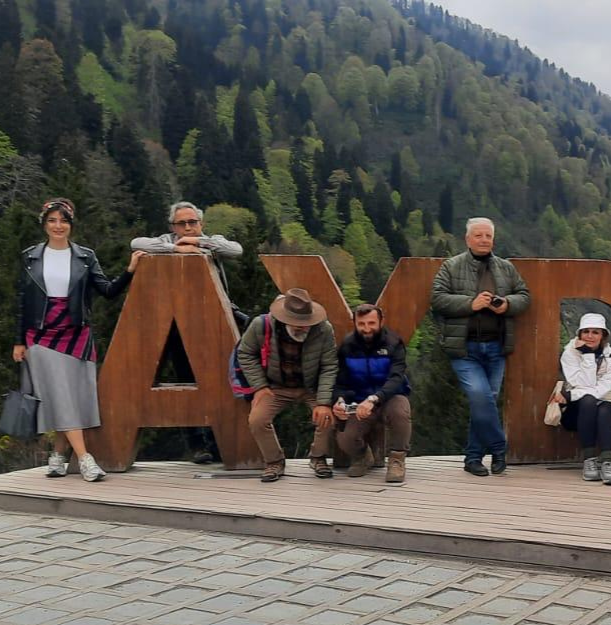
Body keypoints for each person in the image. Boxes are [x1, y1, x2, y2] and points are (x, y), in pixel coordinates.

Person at [13, 198, 145, 482]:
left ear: (71, 224)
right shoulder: (30, 256)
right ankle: (85, 459)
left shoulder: (85, 256)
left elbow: (107, 291)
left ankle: (58, 456)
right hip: (41, 336)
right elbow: (22, 301)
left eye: (63, 221)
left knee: (71, 397)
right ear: (44, 224)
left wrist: (130, 271)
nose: (58, 226)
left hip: (76, 334)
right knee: (61, 396)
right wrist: (19, 341)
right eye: (52, 220)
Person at [131, 201, 244, 463]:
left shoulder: (211, 241)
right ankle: (197, 446)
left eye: (193, 222)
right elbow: (137, 243)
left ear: (201, 223)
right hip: (176, 325)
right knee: (186, 382)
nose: (188, 227)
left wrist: (198, 243)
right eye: (181, 223)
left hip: (213, 321)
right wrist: (176, 248)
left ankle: (219, 445)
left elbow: (236, 250)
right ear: (173, 226)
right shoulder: (164, 241)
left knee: (220, 383)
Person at [430, 217, 531, 477]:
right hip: (465, 349)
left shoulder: (506, 268)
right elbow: (437, 299)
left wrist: (507, 304)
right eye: (478, 235)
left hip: (497, 347)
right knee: (480, 397)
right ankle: (498, 449)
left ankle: (473, 457)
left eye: (488, 236)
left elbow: (524, 296)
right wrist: (470, 304)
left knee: (484, 402)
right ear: (467, 239)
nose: (484, 240)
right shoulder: (451, 266)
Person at [238, 288, 338, 482]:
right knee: (257, 419)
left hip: (310, 386)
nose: (301, 326)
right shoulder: (261, 325)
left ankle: (318, 457)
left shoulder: (324, 329)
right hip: (276, 385)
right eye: (296, 322)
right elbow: (245, 353)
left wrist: (324, 402)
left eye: (305, 322)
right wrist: (260, 386)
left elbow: (329, 365)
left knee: (327, 416)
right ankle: (274, 461)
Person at [332, 304, 412, 483]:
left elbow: (396, 378)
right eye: (361, 324)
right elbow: (341, 381)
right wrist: (339, 400)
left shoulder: (394, 343)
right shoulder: (347, 346)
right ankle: (361, 456)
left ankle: (397, 459)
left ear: (381, 322)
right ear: (354, 323)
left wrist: (375, 398)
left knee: (400, 412)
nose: (367, 328)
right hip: (359, 401)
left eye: (371, 323)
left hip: (390, 397)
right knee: (345, 438)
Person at [551, 313, 611, 485]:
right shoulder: (570, 353)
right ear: (580, 334)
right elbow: (582, 383)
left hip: (604, 399)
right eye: (586, 332)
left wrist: (571, 395)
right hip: (577, 409)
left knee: (604, 410)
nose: (590, 336)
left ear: (603, 335)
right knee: (588, 401)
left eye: (595, 332)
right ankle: (589, 460)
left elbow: (605, 387)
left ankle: (607, 462)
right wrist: (587, 354)